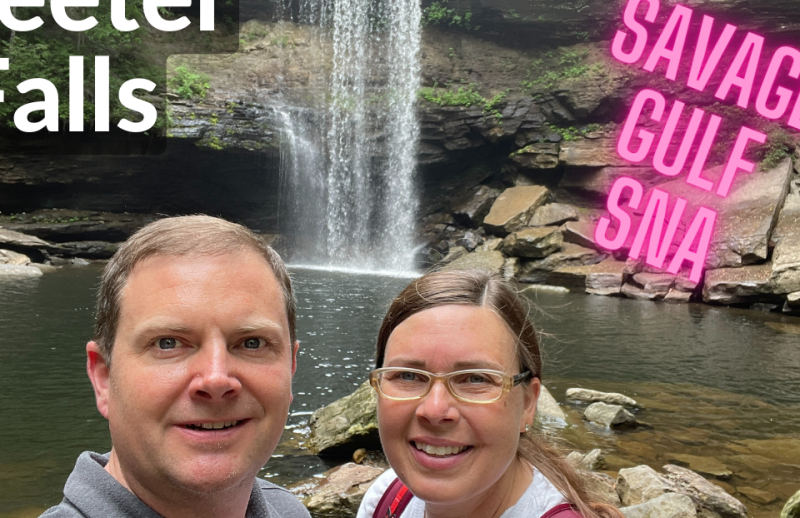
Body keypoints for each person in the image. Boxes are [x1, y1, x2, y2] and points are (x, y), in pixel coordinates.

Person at [41, 215, 311, 518]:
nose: (215, 379)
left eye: (252, 343)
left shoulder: (289, 510)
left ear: (290, 368)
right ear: (103, 377)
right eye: (167, 343)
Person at [357, 270, 623, 518]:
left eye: (475, 379)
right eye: (408, 375)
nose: (435, 410)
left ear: (528, 403)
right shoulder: (386, 498)